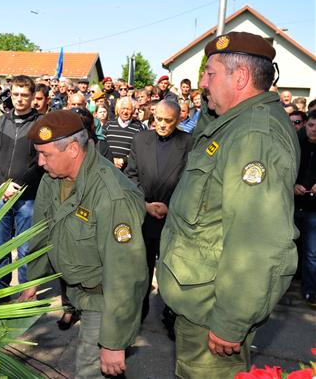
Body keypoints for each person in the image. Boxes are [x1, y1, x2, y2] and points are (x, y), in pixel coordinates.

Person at [157, 31, 300, 378]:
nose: (203, 83)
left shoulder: (253, 137)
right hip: (199, 304)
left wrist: (231, 321)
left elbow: (259, 242)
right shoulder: (231, 126)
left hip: (212, 316)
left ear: (240, 78)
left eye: (211, 73)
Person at [19, 110, 148, 378]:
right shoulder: (52, 180)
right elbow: (42, 232)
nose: (40, 162)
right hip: (78, 291)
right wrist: (33, 282)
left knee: (90, 371)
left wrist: (113, 342)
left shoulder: (112, 195)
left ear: (74, 149)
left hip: (104, 300)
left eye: (46, 155)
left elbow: (125, 273)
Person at [124, 100, 193, 335]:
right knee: (140, 272)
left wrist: (170, 207)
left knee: (172, 273)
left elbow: (192, 183)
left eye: (168, 121)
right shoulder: (140, 140)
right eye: (158, 119)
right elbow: (130, 176)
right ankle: (137, 314)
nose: (162, 125)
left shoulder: (188, 143)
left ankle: (172, 316)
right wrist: (145, 205)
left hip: (173, 220)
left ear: (179, 120)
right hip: (144, 218)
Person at [0, 75, 44, 291]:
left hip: (27, 197)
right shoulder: (0, 122)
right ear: (10, 94)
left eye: (24, 95)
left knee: (25, 248)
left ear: (32, 97)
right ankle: (1, 289)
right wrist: (3, 185)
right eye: (15, 94)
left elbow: (42, 161)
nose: (19, 99)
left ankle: (24, 293)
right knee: (0, 247)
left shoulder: (41, 124)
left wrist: (17, 185)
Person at [295, 109, 316, 307]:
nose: (313, 130)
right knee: (288, 248)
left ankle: (310, 290)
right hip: (293, 205)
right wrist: (292, 185)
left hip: (313, 210)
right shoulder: (295, 144)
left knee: (311, 253)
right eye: (310, 125)